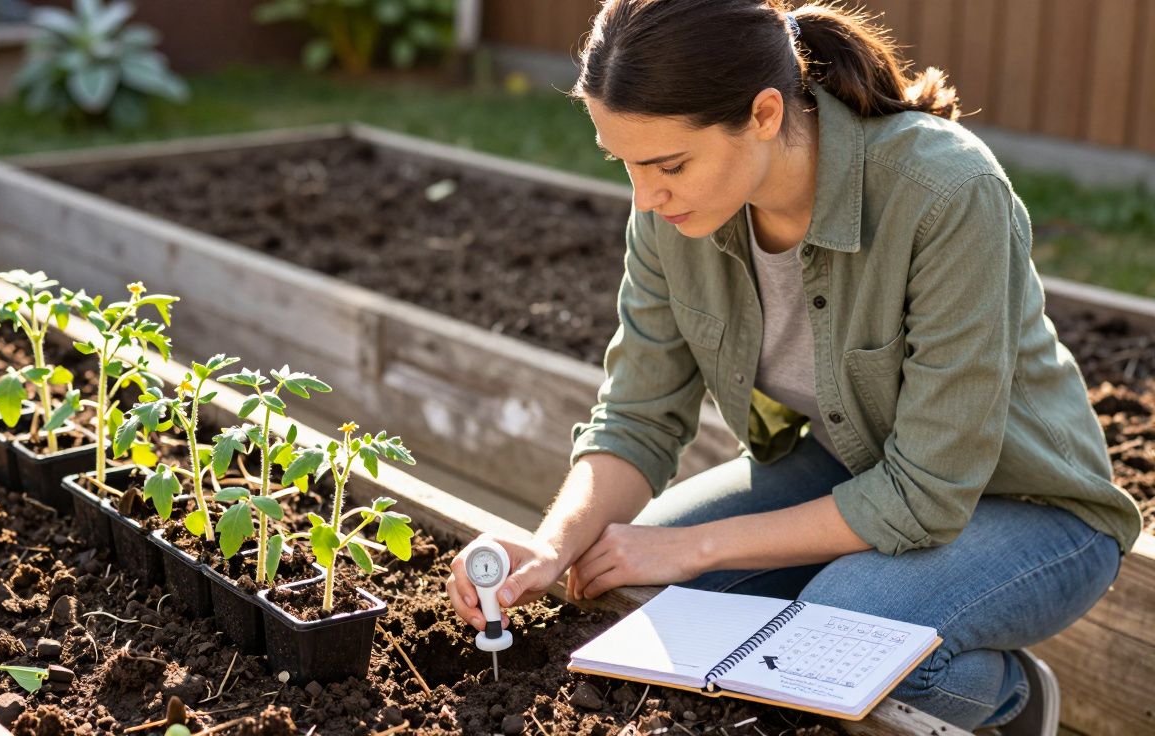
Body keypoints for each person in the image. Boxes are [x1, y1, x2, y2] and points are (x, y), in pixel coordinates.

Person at [445, 1, 1143, 733]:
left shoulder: (947, 194)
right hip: (855, 465)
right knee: (632, 593)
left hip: (1031, 506)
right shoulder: (667, 216)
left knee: (834, 635)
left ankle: (1009, 701)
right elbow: (636, 418)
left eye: (669, 165)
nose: (645, 196)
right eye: (625, 164)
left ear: (765, 114)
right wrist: (549, 548)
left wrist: (695, 547)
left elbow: (928, 492)